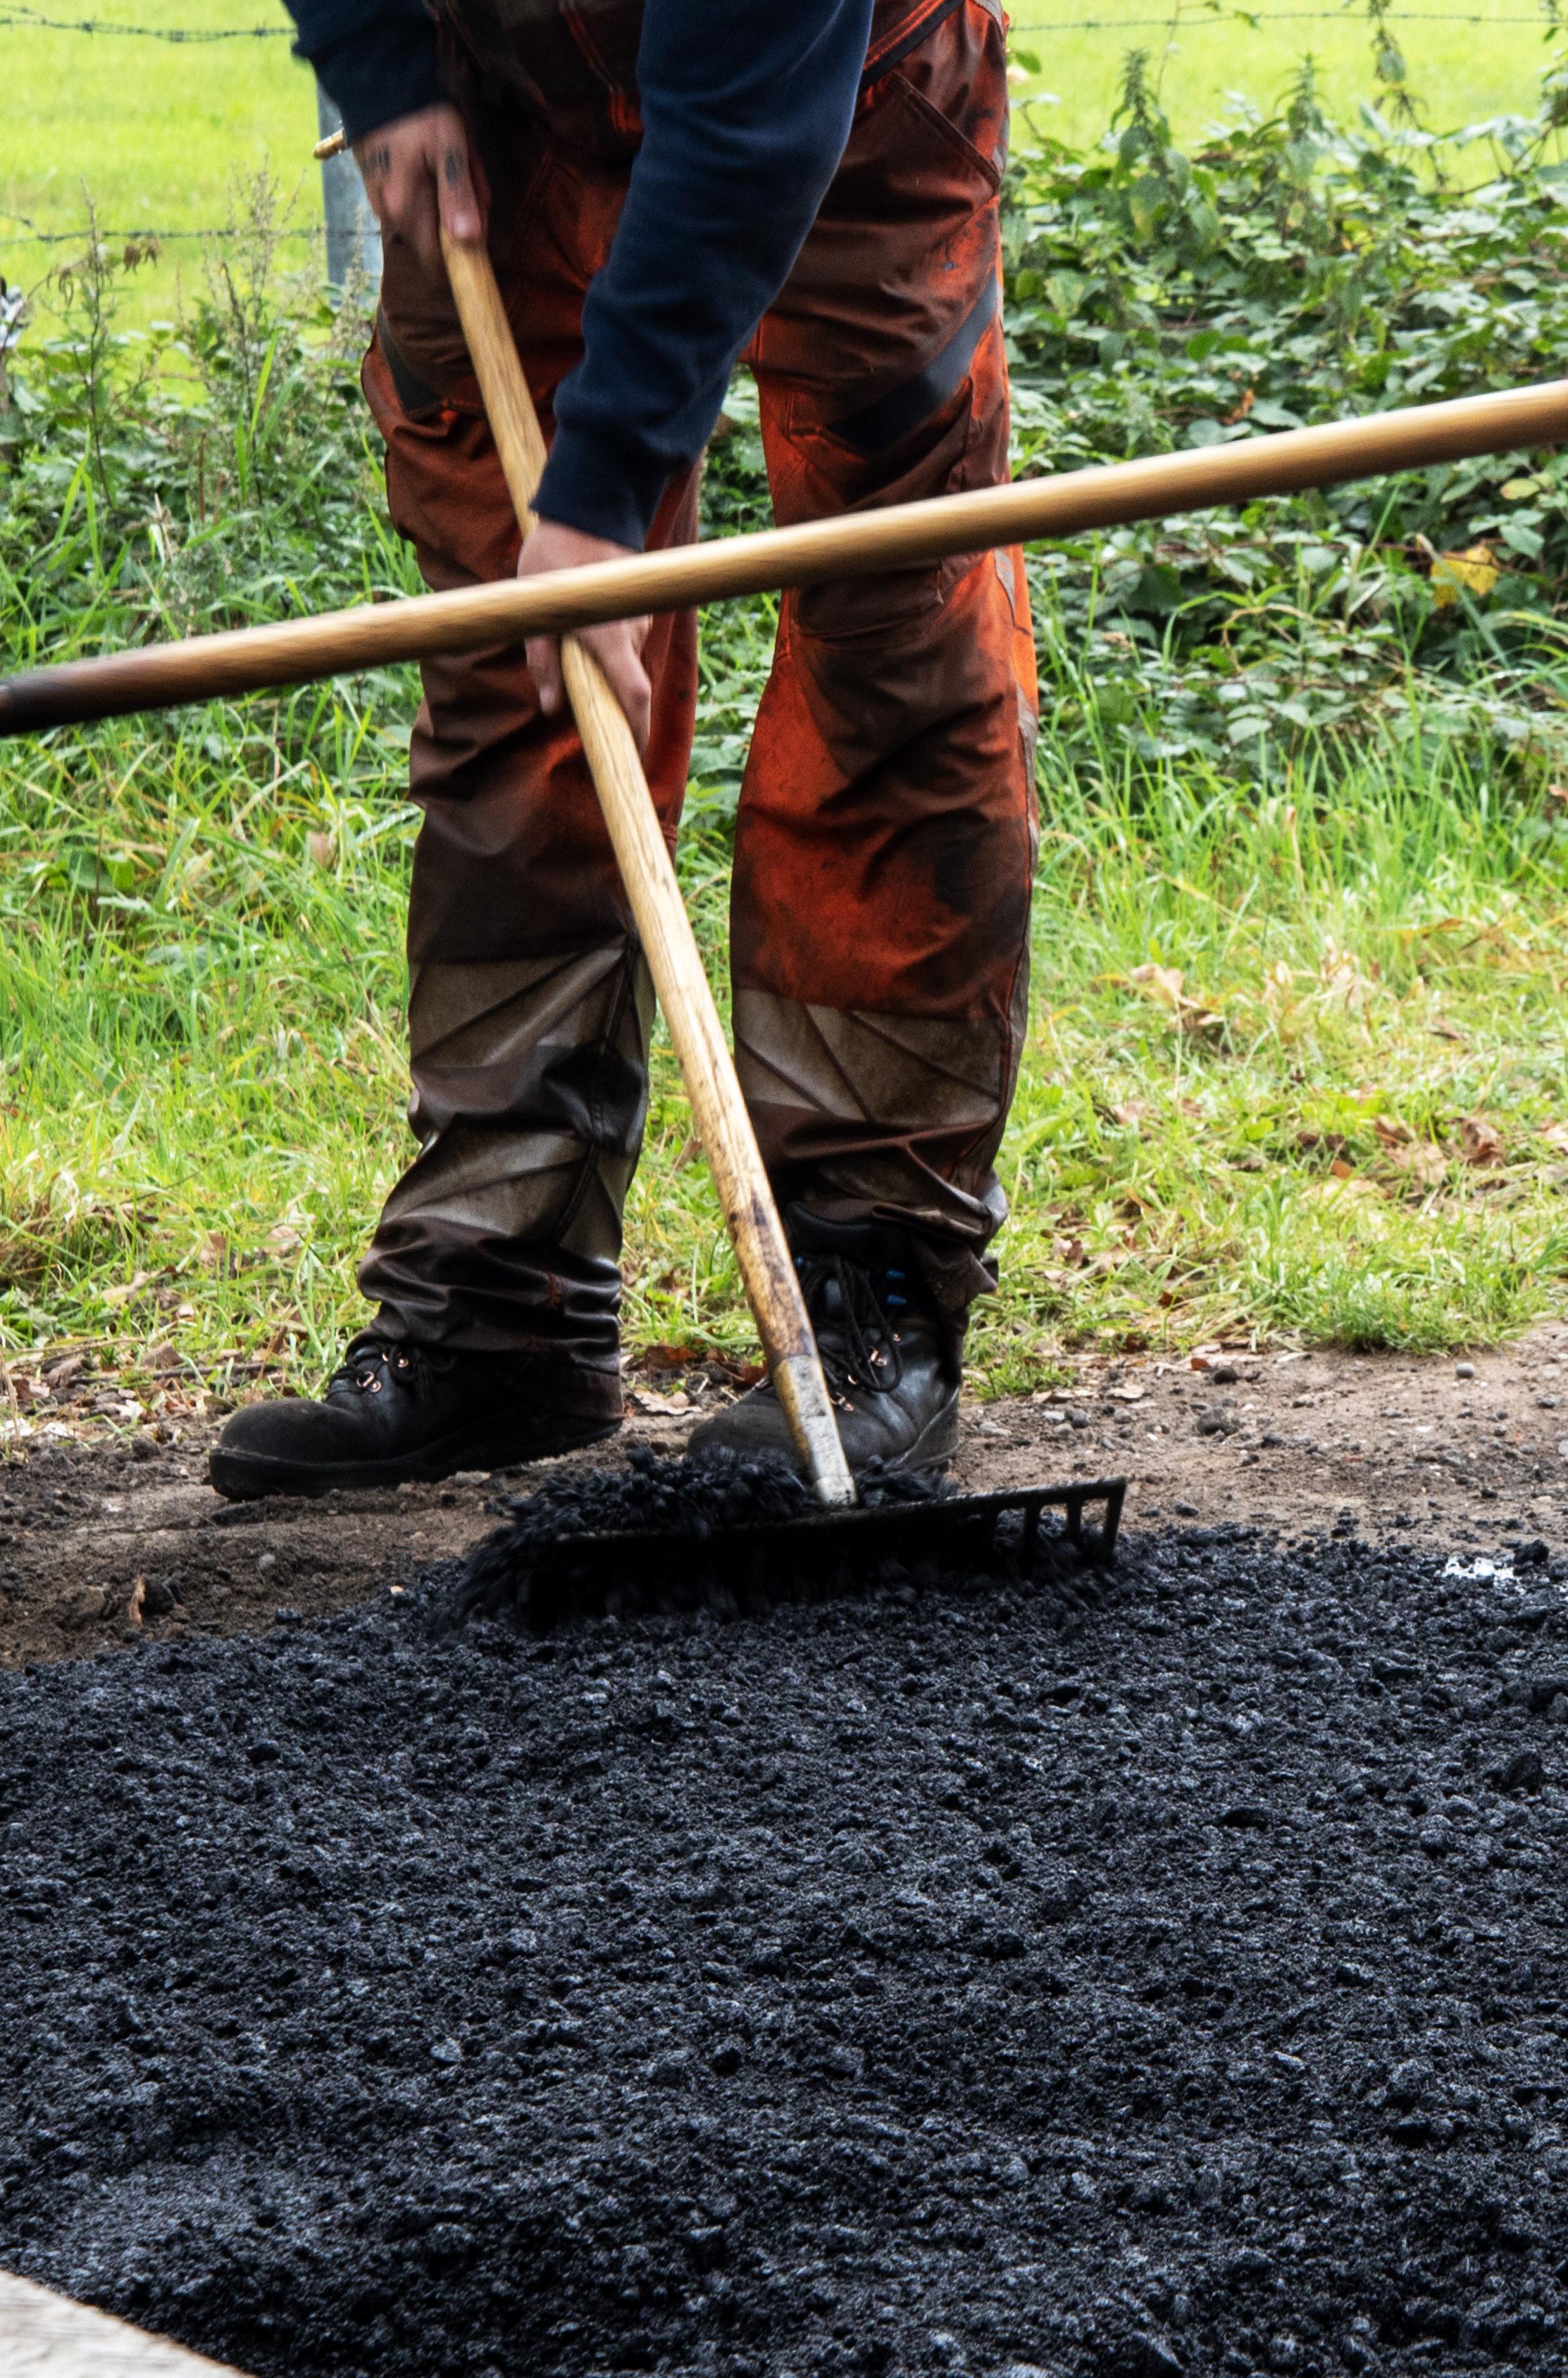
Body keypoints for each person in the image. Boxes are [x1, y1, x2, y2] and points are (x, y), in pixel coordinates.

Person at [212, 0, 1035, 1500]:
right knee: (513, 662)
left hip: (832, 86)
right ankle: (497, 1303)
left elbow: (740, 126)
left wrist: (601, 494)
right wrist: (384, 74)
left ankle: (869, 1290)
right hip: (494, 85)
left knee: (889, 631)